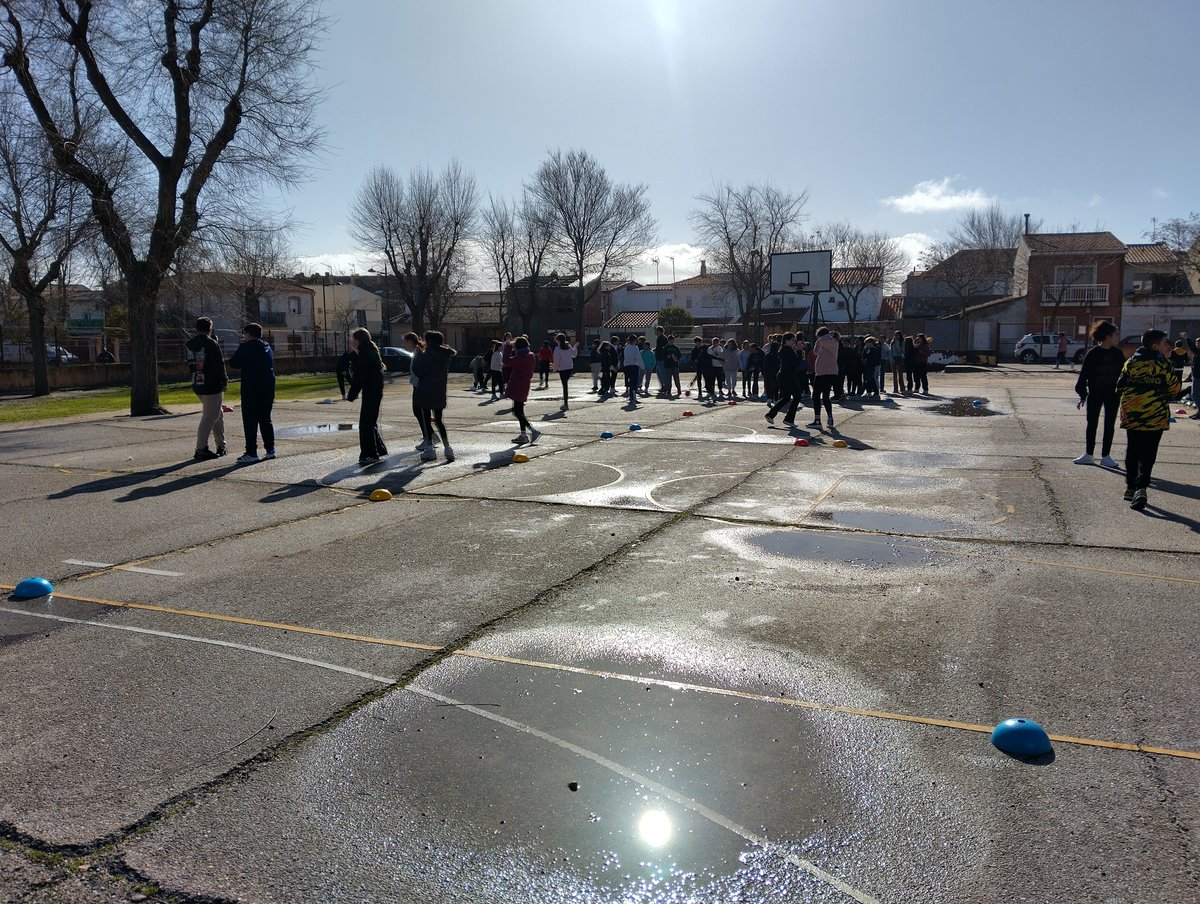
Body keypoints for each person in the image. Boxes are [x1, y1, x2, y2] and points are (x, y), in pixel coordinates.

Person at [1117, 329, 1181, 510]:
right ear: (1155, 346)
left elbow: (1120, 385)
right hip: (1154, 415)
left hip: (1132, 414)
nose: (1168, 346)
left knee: (1133, 450)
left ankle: (1130, 486)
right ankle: (1141, 488)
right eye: (1164, 342)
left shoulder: (1130, 363)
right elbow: (1175, 389)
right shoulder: (1164, 365)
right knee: (1148, 453)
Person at [1073, 321, 1124, 468]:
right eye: (1115, 334)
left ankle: (1105, 456)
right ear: (1108, 336)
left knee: (1109, 425)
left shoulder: (1118, 353)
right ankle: (1089, 454)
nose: (1117, 336)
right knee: (1092, 423)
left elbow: (1123, 375)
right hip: (1095, 393)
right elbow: (1084, 376)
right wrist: (1082, 395)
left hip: (1113, 395)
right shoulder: (1093, 353)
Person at [228, 323, 276, 464]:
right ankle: (270, 449)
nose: (243, 337)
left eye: (244, 334)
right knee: (265, 419)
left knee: (250, 421)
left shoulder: (246, 347)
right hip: (267, 387)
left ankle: (251, 451)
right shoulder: (267, 347)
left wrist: (243, 348)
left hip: (251, 388)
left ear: (248, 334)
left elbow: (233, 363)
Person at [185, 317, 227, 460]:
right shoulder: (211, 344)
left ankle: (221, 444)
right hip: (212, 384)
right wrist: (224, 381)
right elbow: (219, 365)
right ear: (210, 329)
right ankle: (201, 448)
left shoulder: (190, 344)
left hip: (197, 381)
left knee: (217, 412)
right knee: (210, 416)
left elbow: (190, 364)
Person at [344, 327, 387, 465]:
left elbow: (360, 376)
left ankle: (370, 454)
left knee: (365, 424)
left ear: (357, 340)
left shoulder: (365, 353)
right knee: (371, 421)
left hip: (371, 391)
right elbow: (363, 368)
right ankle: (378, 449)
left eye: (353, 339)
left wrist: (351, 395)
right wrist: (353, 356)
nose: (352, 342)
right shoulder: (370, 350)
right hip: (375, 390)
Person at [412, 330, 456, 462]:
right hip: (439, 391)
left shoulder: (426, 355)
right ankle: (447, 447)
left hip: (425, 391)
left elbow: (418, 371)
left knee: (426, 420)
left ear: (429, 341)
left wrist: (416, 357)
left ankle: (430, 449)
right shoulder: (445, 355)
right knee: (439, 420)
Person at [402, 333, 433, 453]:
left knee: (420, 412)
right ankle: (429, 436)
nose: (403, 344)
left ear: (410, 341)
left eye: (404, 341)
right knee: (419, 412)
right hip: (418, 386)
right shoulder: (416, 352)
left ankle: (428, 438)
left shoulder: (418, 352)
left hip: (420, 387)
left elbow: (420, 371)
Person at [505, 335, 539, 444]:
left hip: (517, 385)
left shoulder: (520, 358)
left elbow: (506, 361)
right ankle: (523, 434)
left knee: (517, 412)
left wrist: (508, 347)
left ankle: (532, 430)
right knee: (519, 411)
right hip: (524, 385)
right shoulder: (531, 355)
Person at [764, 332, 802, 426]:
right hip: (787, 376)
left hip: (784, 376)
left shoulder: (786, 350)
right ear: (786, 340)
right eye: (792, 340)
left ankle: (771, 414)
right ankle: (789, 419)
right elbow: (795, 363)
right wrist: (799, 351)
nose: (794, 342)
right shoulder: (786, 350)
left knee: (786, 398)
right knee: (797, 396)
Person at [808, 327, 839, 430]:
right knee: (819, 396)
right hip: (821, 373)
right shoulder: (824, 343)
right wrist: (819, 341)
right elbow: (815, 351)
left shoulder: (832, 342)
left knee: (821, 396)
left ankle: (825, 419)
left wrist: (826, 336)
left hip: (826, 373)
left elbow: (822, 341)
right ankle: (820, 419)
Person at [552, 333, 577, 410]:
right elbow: (574, 355)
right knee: (565, 385)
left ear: (558, 340)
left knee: (564, 386)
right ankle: (565, 403)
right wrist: (575, 346)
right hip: (570, 368)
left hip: (562, 369)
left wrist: (554, 369)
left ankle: (566, 404)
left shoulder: (557, 349)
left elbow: (556, 360)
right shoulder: (568, 346)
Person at [622, 334, 642, 404]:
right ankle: (633, 397)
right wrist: (642, 367)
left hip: (627, 366)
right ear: (635, 340)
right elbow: (638, 358)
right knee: (634, 382)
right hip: (634, 366)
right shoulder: (635, 348)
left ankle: (631, 396)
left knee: (630, 382)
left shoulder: (626, 348)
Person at [763, 335, 780, 403]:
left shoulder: (767, 355)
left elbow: (765, 364)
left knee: (769, 385)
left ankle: (769, 398)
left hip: (768, 372)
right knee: (776, 385)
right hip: (776, 372)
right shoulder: (778, 354)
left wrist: (765, 372)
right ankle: (776, 398)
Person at [890, 331, 906, 395]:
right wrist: (891, 359)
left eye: (897, 335)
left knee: (900, 374)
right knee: (894, 375)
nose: (896, 336)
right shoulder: (892, 342)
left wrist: (900, 354)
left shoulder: (901, 342)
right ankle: (895, 389)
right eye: (895, 335)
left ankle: (902, 388)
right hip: (893, 358)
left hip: (899, 358)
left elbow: (902, 350)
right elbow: (891, 350)